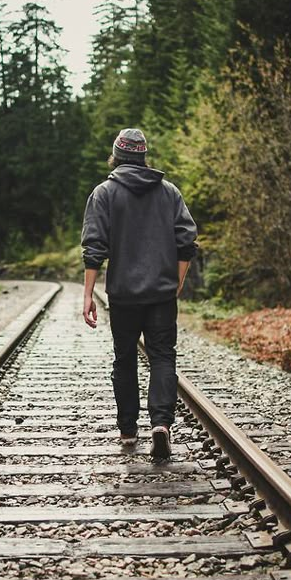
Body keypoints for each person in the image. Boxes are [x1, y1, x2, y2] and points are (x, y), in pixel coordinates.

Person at [81, 128, 197, 460]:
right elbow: (187, 242)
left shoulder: (103, 194)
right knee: (162, 357)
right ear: (144, 156)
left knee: (125, 358)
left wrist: (88, 295)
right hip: (161, 294)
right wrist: (177, 282)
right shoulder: (169, 192)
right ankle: (161, 425)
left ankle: (128, 430)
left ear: (116, 156)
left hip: (123, 295)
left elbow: (94, 248)